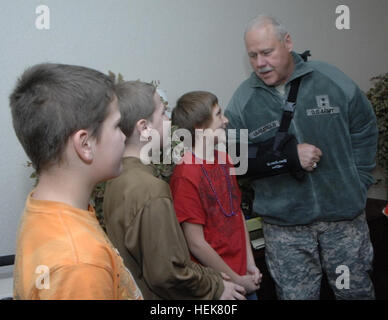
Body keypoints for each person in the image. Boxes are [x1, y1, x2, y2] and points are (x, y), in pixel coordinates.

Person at [225, 15, 378, 300]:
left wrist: (360, 179)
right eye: (253, 55)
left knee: (354, 294)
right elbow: (234, 159)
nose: (260, 63)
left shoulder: (331, 80)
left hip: (343, 222)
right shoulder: (243, 101)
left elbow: (365, 127)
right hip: (285, 229)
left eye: (267, 52)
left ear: (288, 43)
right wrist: (287, 156)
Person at [103, 81, 246, 300]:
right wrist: (216, 286)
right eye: (163, 114)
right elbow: (168, 273)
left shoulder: (116, 179)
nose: (170, 122)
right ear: (144, 127)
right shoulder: (151, 190)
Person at [10, 63, 142, 300]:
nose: (124, 136)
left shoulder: (42, 208)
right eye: (116, 126)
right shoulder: (80, 264)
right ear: (85, 144)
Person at [169, 91, 262, 300]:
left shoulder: (225, 158)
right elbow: (195, 243)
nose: (226, 120)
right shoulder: (186, 173)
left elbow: (236, 213)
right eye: (219, 115)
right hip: (221, 286)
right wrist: (236, 280)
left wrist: (250, 264)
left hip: (244, 275)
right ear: (200, 127)